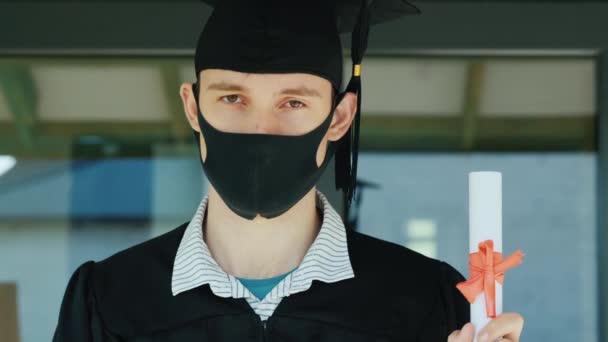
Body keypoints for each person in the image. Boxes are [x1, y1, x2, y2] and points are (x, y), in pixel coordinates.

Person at [53, 0, 524, 341]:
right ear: (193, 108)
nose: (262, 128)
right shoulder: (108, 300)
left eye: (293, 102)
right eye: (232, 98)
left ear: (339, 117)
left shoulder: (427, 300)